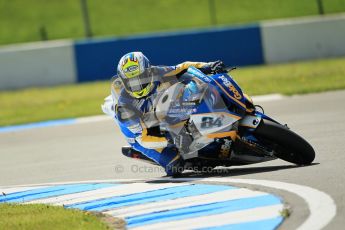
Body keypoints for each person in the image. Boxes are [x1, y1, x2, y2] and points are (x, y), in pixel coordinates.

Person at [103, 51, 227, 176]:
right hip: (139, 135)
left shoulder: (157, 72)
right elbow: (144, 139)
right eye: (131, 82)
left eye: (140, 78)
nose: (137, 86)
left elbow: (182, 68)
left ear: (148, 71)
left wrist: (208, 66)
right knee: (175, 166)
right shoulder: (125, 107)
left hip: (156, 114)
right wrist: (170, 139)